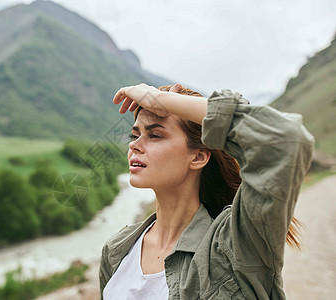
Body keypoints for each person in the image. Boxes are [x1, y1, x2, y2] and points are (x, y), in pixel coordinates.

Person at [99, 83, 314, 299]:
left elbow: (286, 139)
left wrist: (161, 100)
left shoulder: (235, 245)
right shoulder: (117, 250)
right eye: (134, 135)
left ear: (198, 157)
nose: (134, 145)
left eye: (155, 135)